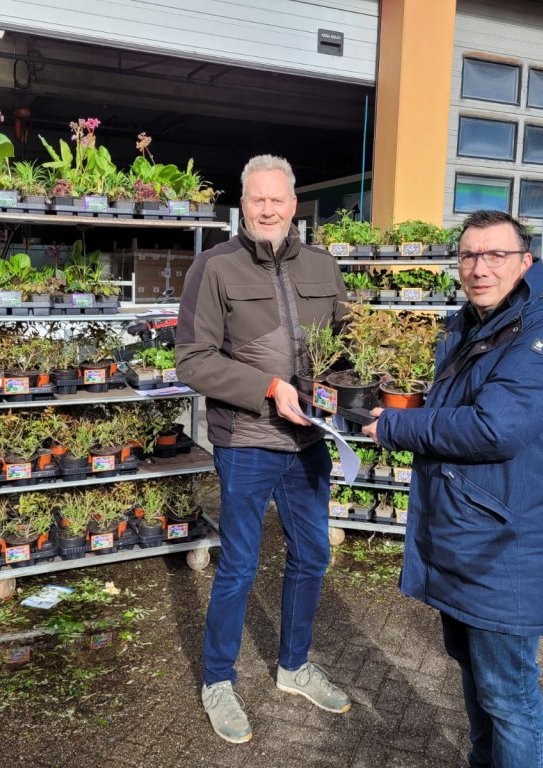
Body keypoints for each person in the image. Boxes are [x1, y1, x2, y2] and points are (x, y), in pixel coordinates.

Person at [362, 209, 543, 767]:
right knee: (478, 680)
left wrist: (395, 425)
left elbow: (495, 428)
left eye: (495, 256)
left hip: (505, 545)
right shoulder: (473, 322)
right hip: (469, 534)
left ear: (525, 262)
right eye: (468, 256)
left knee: (509, 696)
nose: (479, 267)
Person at [175, 154, 352, 744]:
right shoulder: (214, 267)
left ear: (293, 203)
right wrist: (268, 389)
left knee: (312, 555)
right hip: (247, 438)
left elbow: (347, 352)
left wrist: (363, 395)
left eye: (277, 198)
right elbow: (193, 360)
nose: (268, 208)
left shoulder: (325, 266)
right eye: (257, 199)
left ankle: (294, 666)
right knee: (242, 565)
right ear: (243, 204)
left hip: (310, 440)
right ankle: (218, 680)